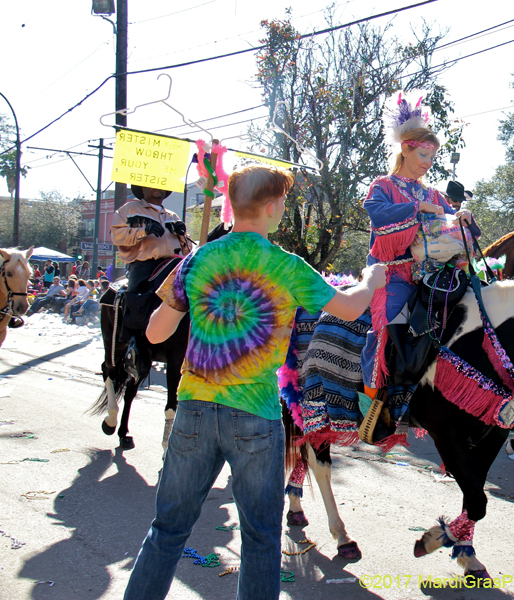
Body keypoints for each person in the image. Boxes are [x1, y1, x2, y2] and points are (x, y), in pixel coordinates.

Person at [123, 163, 387, 600]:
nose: (283, 208)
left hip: (193, 410)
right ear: (269, 207)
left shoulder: (197, 259)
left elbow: (155, 333)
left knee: (166, 531)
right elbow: (349, 309)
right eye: (283, 202)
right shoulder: (286, 266)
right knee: (261, 540)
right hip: (255, 419)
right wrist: (371, 279)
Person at [361, 90, 473, 390]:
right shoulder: (382, 185)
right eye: (423, 155)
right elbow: (376, 213)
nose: (428, 163)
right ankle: (374, 396)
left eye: (431, 157)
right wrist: (417, 207)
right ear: (406, 150)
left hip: (433, 274)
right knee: (386, 323)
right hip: (392, 274)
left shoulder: (433, 193)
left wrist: (462, 218)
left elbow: (452, 222)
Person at [110, 185, 192, 293]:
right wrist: (144, 231)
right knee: (138, 301)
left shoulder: (172, 216)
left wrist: (182, 235)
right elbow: (117, 236)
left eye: (162, 186)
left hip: (172, 268)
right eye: (152, 185)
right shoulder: (129, 209)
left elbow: (188, 251)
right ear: (143, 189)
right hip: (144, 268)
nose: (158, 188)